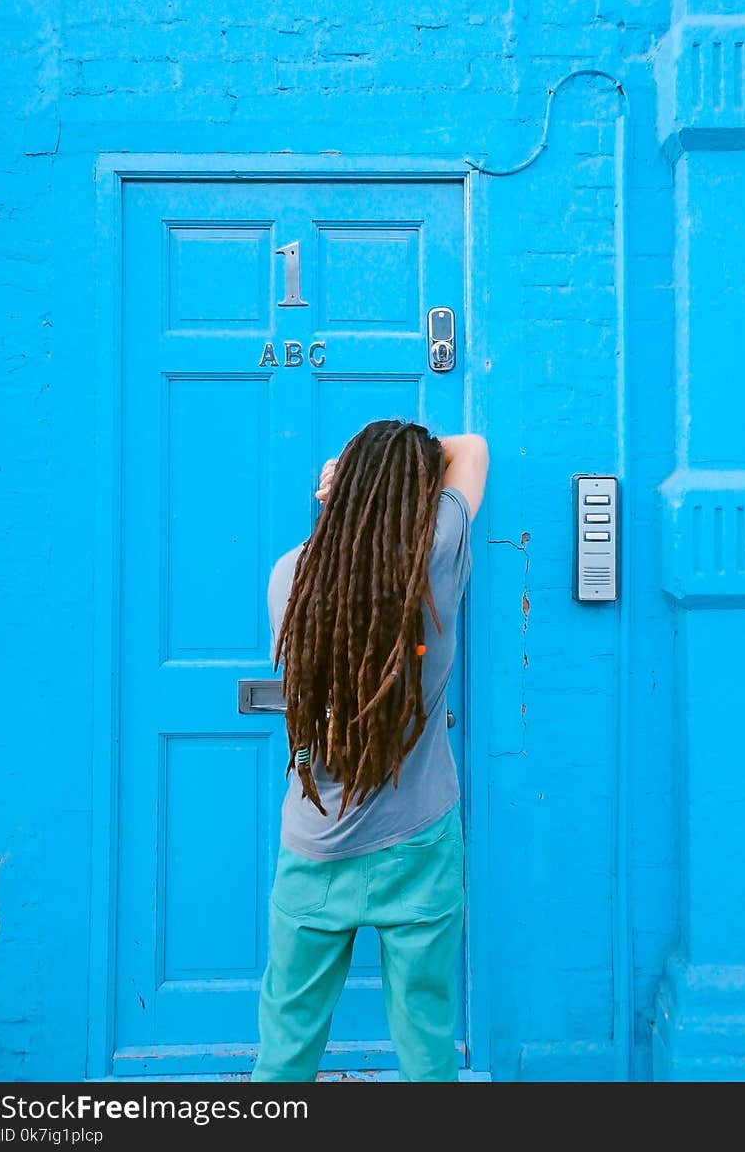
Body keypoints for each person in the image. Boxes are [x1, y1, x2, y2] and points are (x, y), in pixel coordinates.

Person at [251, 419, 489, 1083]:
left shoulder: (289, 580)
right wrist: (396, 467)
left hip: (315, 845)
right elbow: (472, 448)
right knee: (426, 1049)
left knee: (285, 1051)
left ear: (338, 491)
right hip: (419, 847)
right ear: (418, 493)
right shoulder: (435, 557)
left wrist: (348, 473)